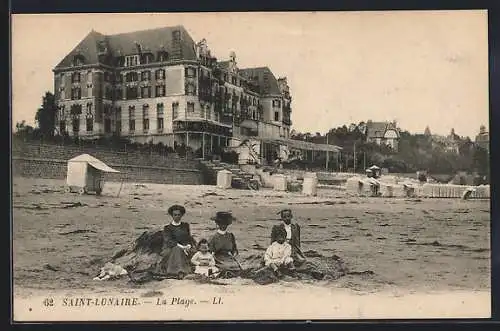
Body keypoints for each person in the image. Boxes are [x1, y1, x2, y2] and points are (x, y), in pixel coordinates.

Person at [156, 204, 197, 279]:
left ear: (182, 215)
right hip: (171, 248)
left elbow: (188, 237)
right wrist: (182, 247)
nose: (177, 217)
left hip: (184, 246)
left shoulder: (185, 225)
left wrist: (188, 245)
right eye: (175, 215)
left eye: (179, 215)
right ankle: (178, 271)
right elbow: (169, 241)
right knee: (177, 250)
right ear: (172, 215)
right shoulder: (167, 228)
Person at [208, 211, 241, 278]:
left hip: (228, 257)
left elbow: (234, 250)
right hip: (218, 258)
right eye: (221, 223)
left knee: (237, 267)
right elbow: (210, 251)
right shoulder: (213, 237)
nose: (223, 225)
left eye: (225, 223)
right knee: (226, 267)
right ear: (217, 224)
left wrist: (234, 256)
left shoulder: (230, 236)